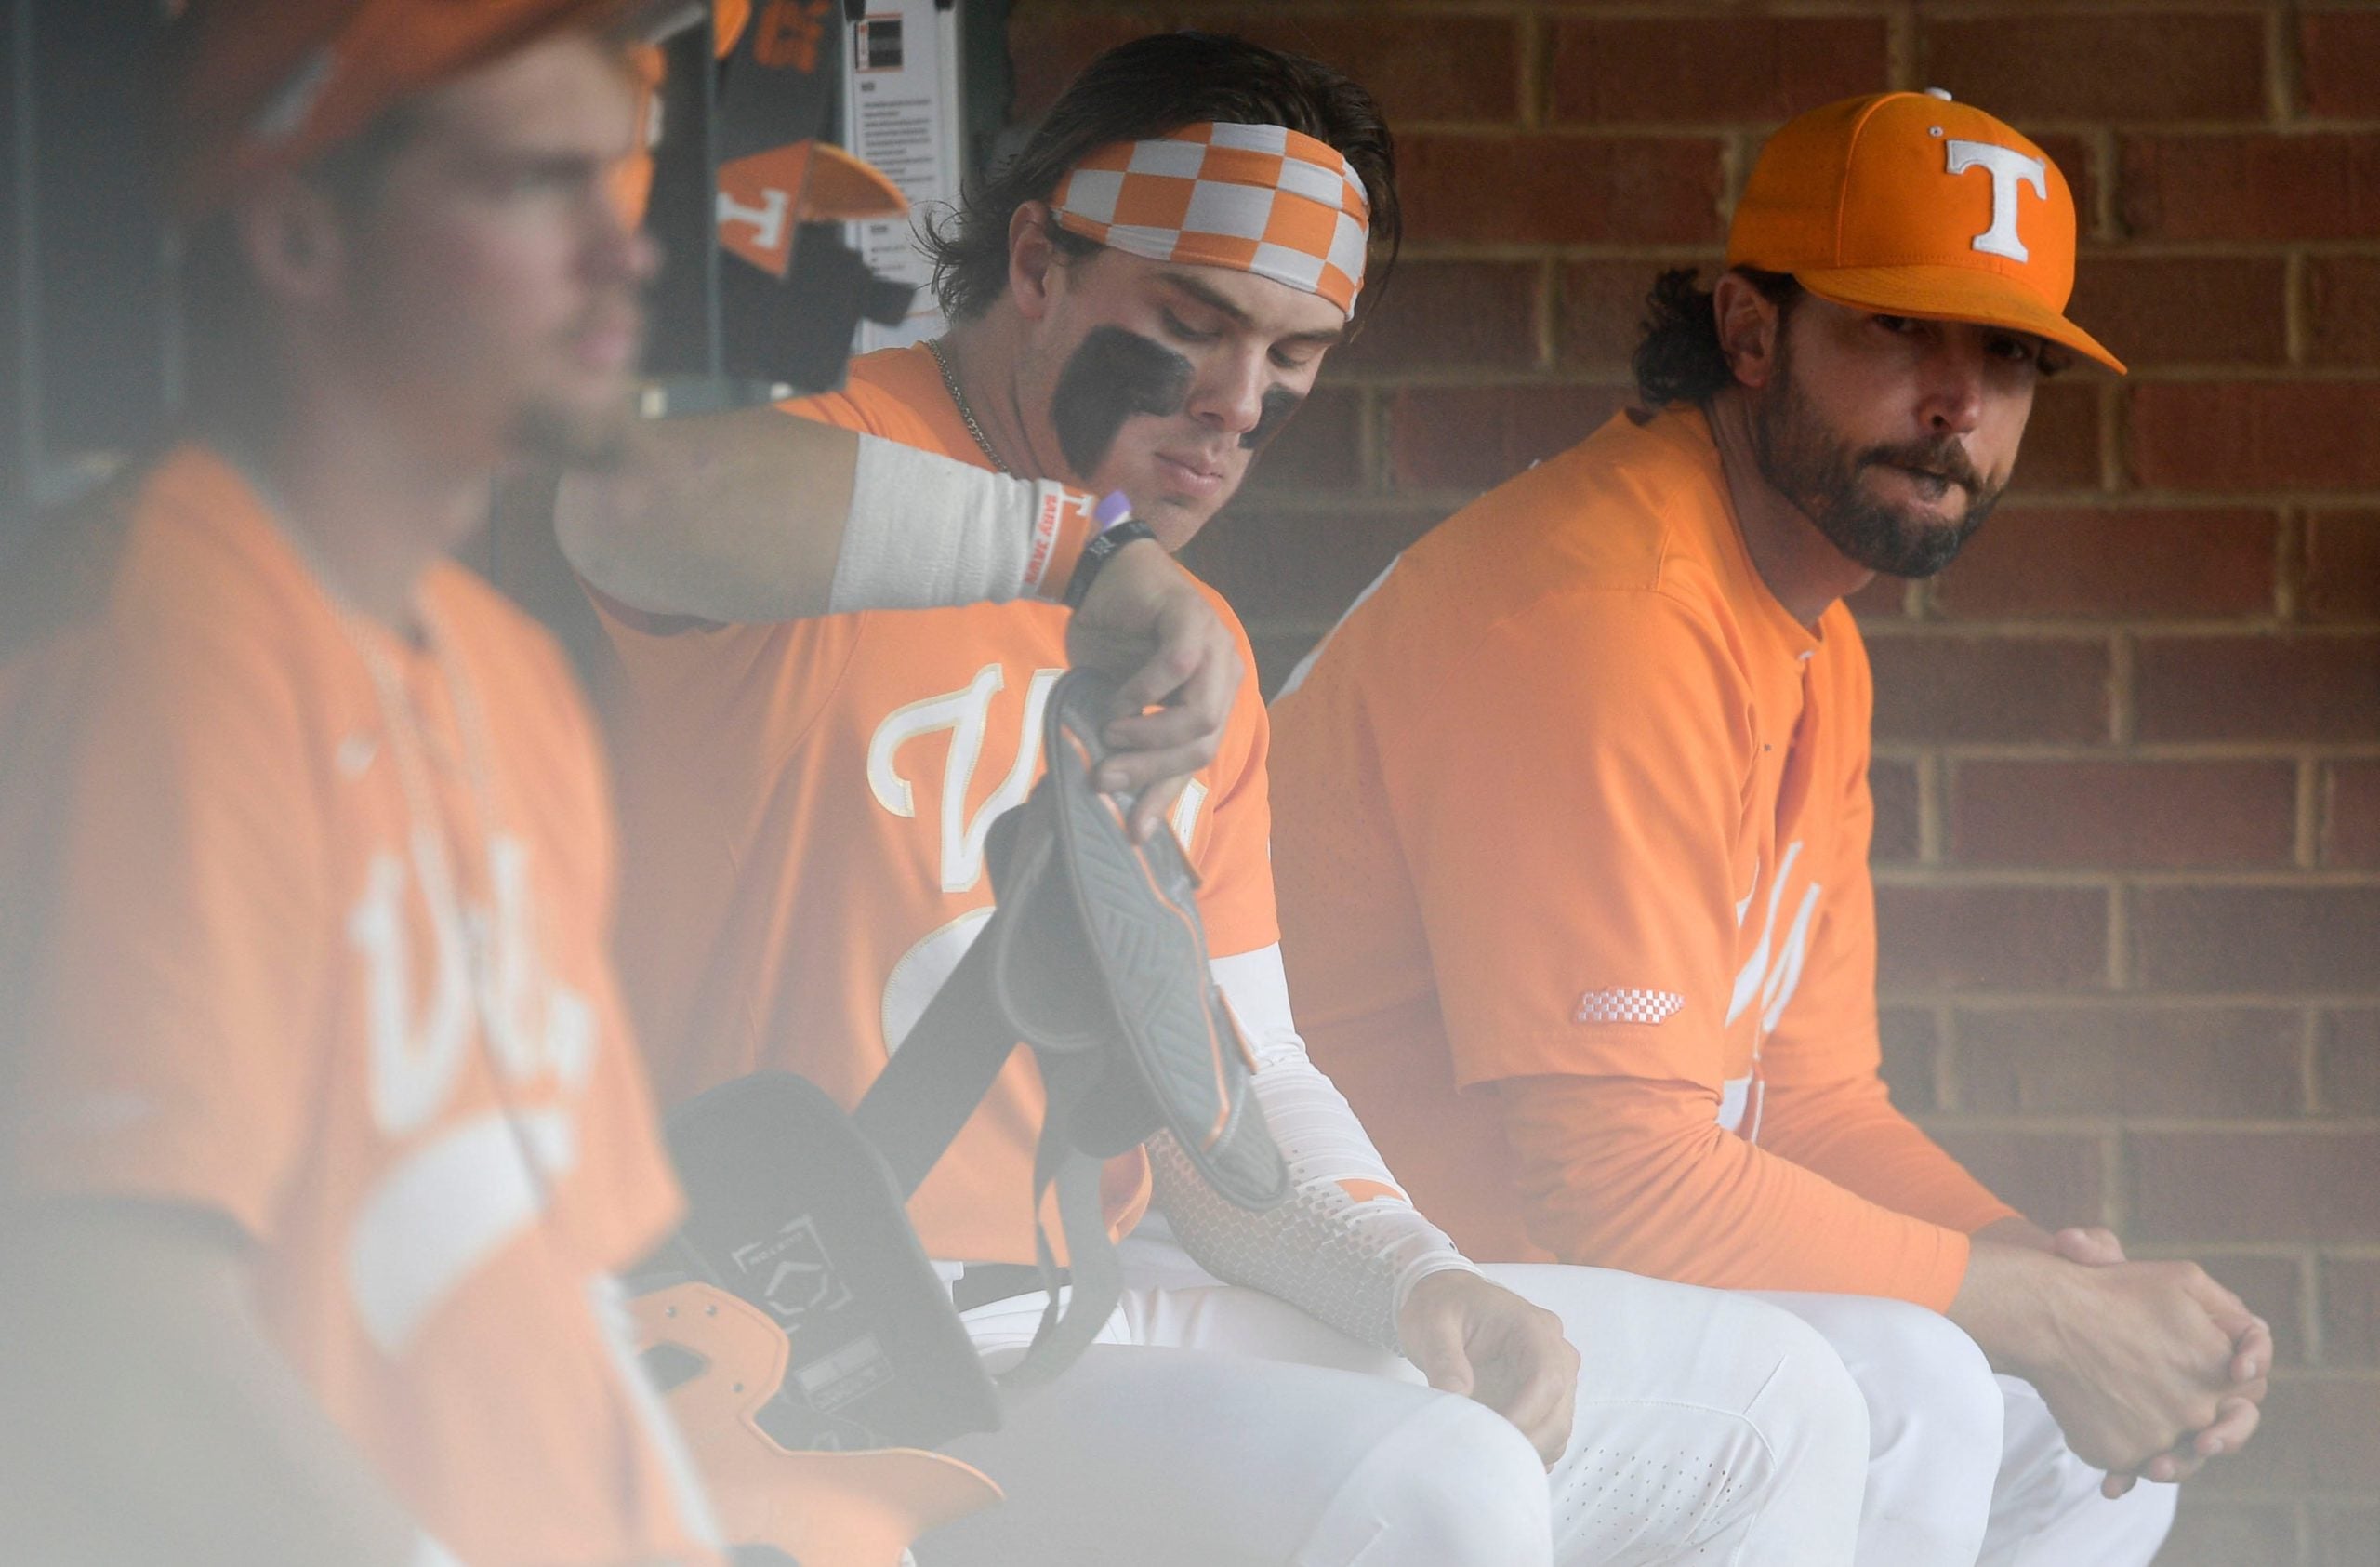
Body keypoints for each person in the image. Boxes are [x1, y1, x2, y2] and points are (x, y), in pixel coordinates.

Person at [562, 31, 1873, 1567]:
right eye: (1193, 323)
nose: (1240, 403)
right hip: (779, 1330)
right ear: (1039, 261)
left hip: (1070, 1302)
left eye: (1297, 356)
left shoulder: (1197, 652)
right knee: (1428, 1487)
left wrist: (1413, 1273)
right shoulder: (865, 475)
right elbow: (629, 503)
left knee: (1790, 1404)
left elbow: (1233, 1093)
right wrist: (1082, 552)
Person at [0, 6, 1239, 1564]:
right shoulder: (165, 649)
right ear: (303, 230)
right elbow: (100, 1331)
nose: (619, 255)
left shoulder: (498, 681)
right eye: (532, 185)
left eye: (624, 182)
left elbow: (565, 1286)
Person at [1266, 88, 2273, 1567]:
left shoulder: (1807, 629)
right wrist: (2049, 1314)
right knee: (1921, 1386)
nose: (1958, 405)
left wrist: (2050, 1273)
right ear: (1749, 331)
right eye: (1897, 330)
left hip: (1546, 1279)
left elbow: (1802, 1102)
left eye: (2009, 356)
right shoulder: (1613, 608)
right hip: (1359, 1288)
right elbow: (1615, 1175)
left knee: (2063, 1432)